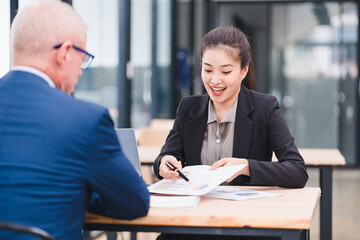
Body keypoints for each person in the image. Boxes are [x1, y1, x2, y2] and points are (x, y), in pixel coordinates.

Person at [0, 1, 149, 239]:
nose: (81, 70)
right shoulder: (85, 120)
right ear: (64, 53)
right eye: (83, 57)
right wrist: (77, 189)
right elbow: (134, 203)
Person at [153, 26, 308, 240]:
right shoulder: (188, 107)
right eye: (207, 70)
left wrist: (246, 166)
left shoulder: (265, 108)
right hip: (194, 221)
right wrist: (165, 162)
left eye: (226, 72)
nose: (215, 80)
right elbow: (166, 157)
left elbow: (297, 171)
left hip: (244, 226)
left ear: (244, 70)